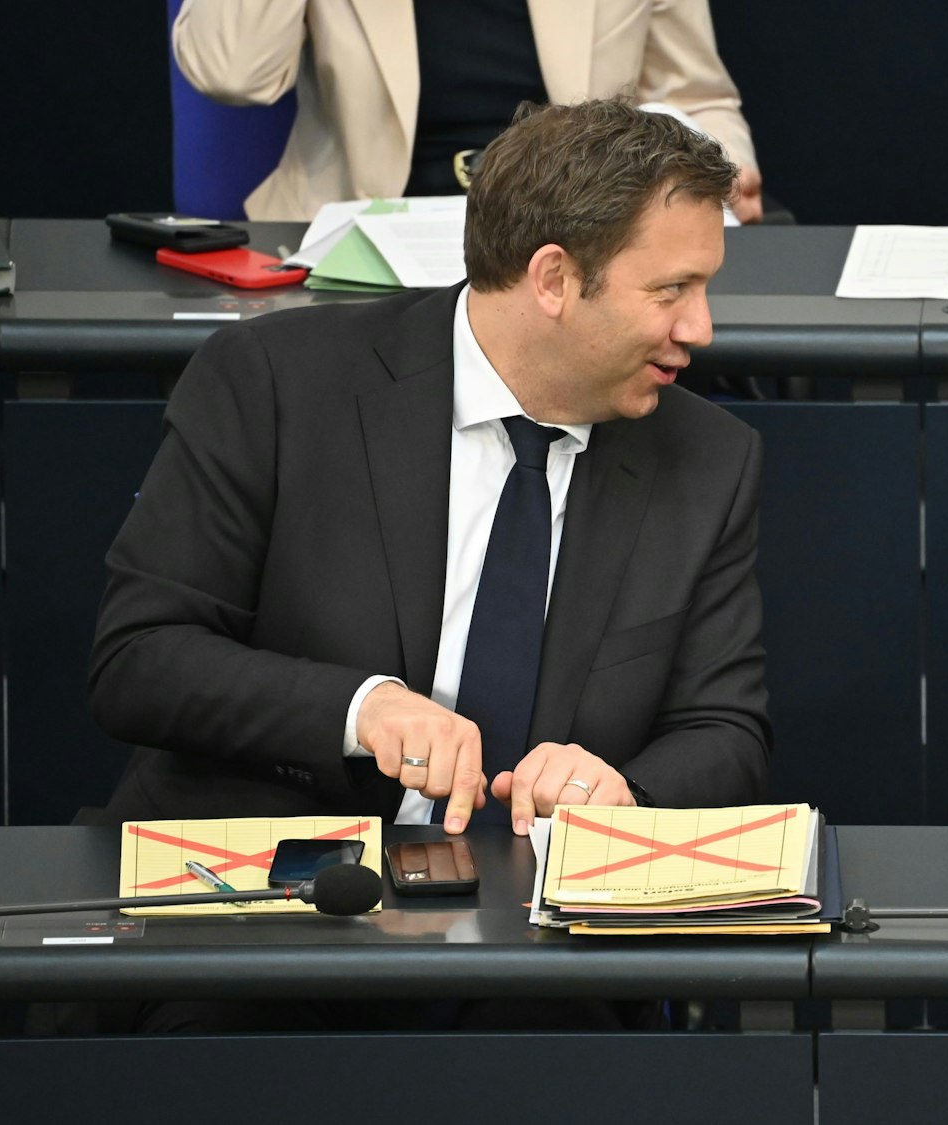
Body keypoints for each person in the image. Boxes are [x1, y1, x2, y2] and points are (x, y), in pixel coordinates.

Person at [91, 99, 770, 839]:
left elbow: (725, 729)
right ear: (553, 280)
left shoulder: (707, 458)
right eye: (670, 291)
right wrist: (360, 709)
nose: (698, 328)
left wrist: (626, 791)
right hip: (279, 877)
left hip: (542, 903)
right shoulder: (276, 383)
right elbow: (140, 657)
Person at [172, 0, 764, 222]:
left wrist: (722, 165)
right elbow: (232, 71)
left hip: (576, 227)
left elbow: (693, 96)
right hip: (367, 237)